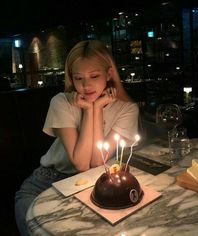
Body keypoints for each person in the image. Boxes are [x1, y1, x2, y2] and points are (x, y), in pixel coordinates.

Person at [15, 40, 139, 235]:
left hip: (95, 184)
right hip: (46, 183)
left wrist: (97, 108)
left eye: (94, 76)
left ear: (108, 74)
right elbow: (81, 163)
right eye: (78, 78)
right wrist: (90, 110)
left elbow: (98, 162)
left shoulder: (127, 109)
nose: (85, 85)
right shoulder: (61, 102)